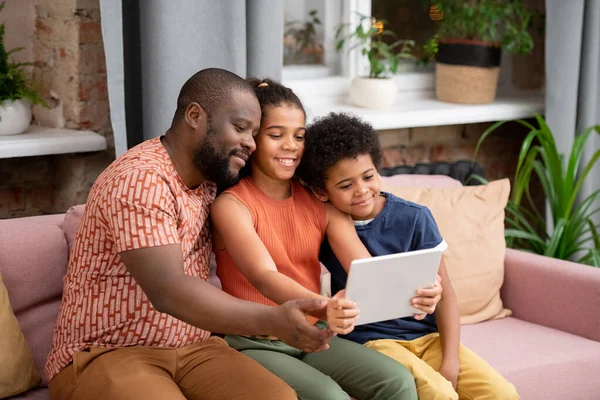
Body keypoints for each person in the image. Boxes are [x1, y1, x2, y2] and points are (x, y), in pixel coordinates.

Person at [45, 68, 337, 400]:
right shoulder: (140, 178)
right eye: (240, 128)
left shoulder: (213, 179)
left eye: (255, 133)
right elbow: (168, 290)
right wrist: (273, 320)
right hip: (108, 351)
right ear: (195, 115)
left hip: (194, 348)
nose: (250, 144)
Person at [211, 78, 442, 400]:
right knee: (330, 397)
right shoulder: (231, 206)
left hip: (314, 333)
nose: (291, 145)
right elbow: (264, 277)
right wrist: (325, 306)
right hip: (254, 339)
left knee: (397, 381)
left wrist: (421, 290)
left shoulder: (319, 201)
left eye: (299, 135)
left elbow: (367, 267)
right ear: (251, 139)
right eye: (276, 135)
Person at [298, 112, 520, 400]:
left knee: (502, 394)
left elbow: (447, 295)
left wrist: (451, 360)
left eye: (368, 176)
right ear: (321, 191)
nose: (362, 190)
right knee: (438, 394)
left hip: (429, 338)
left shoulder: (414, 218)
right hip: (372, 342)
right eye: (345, 185)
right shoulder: (326, 226)